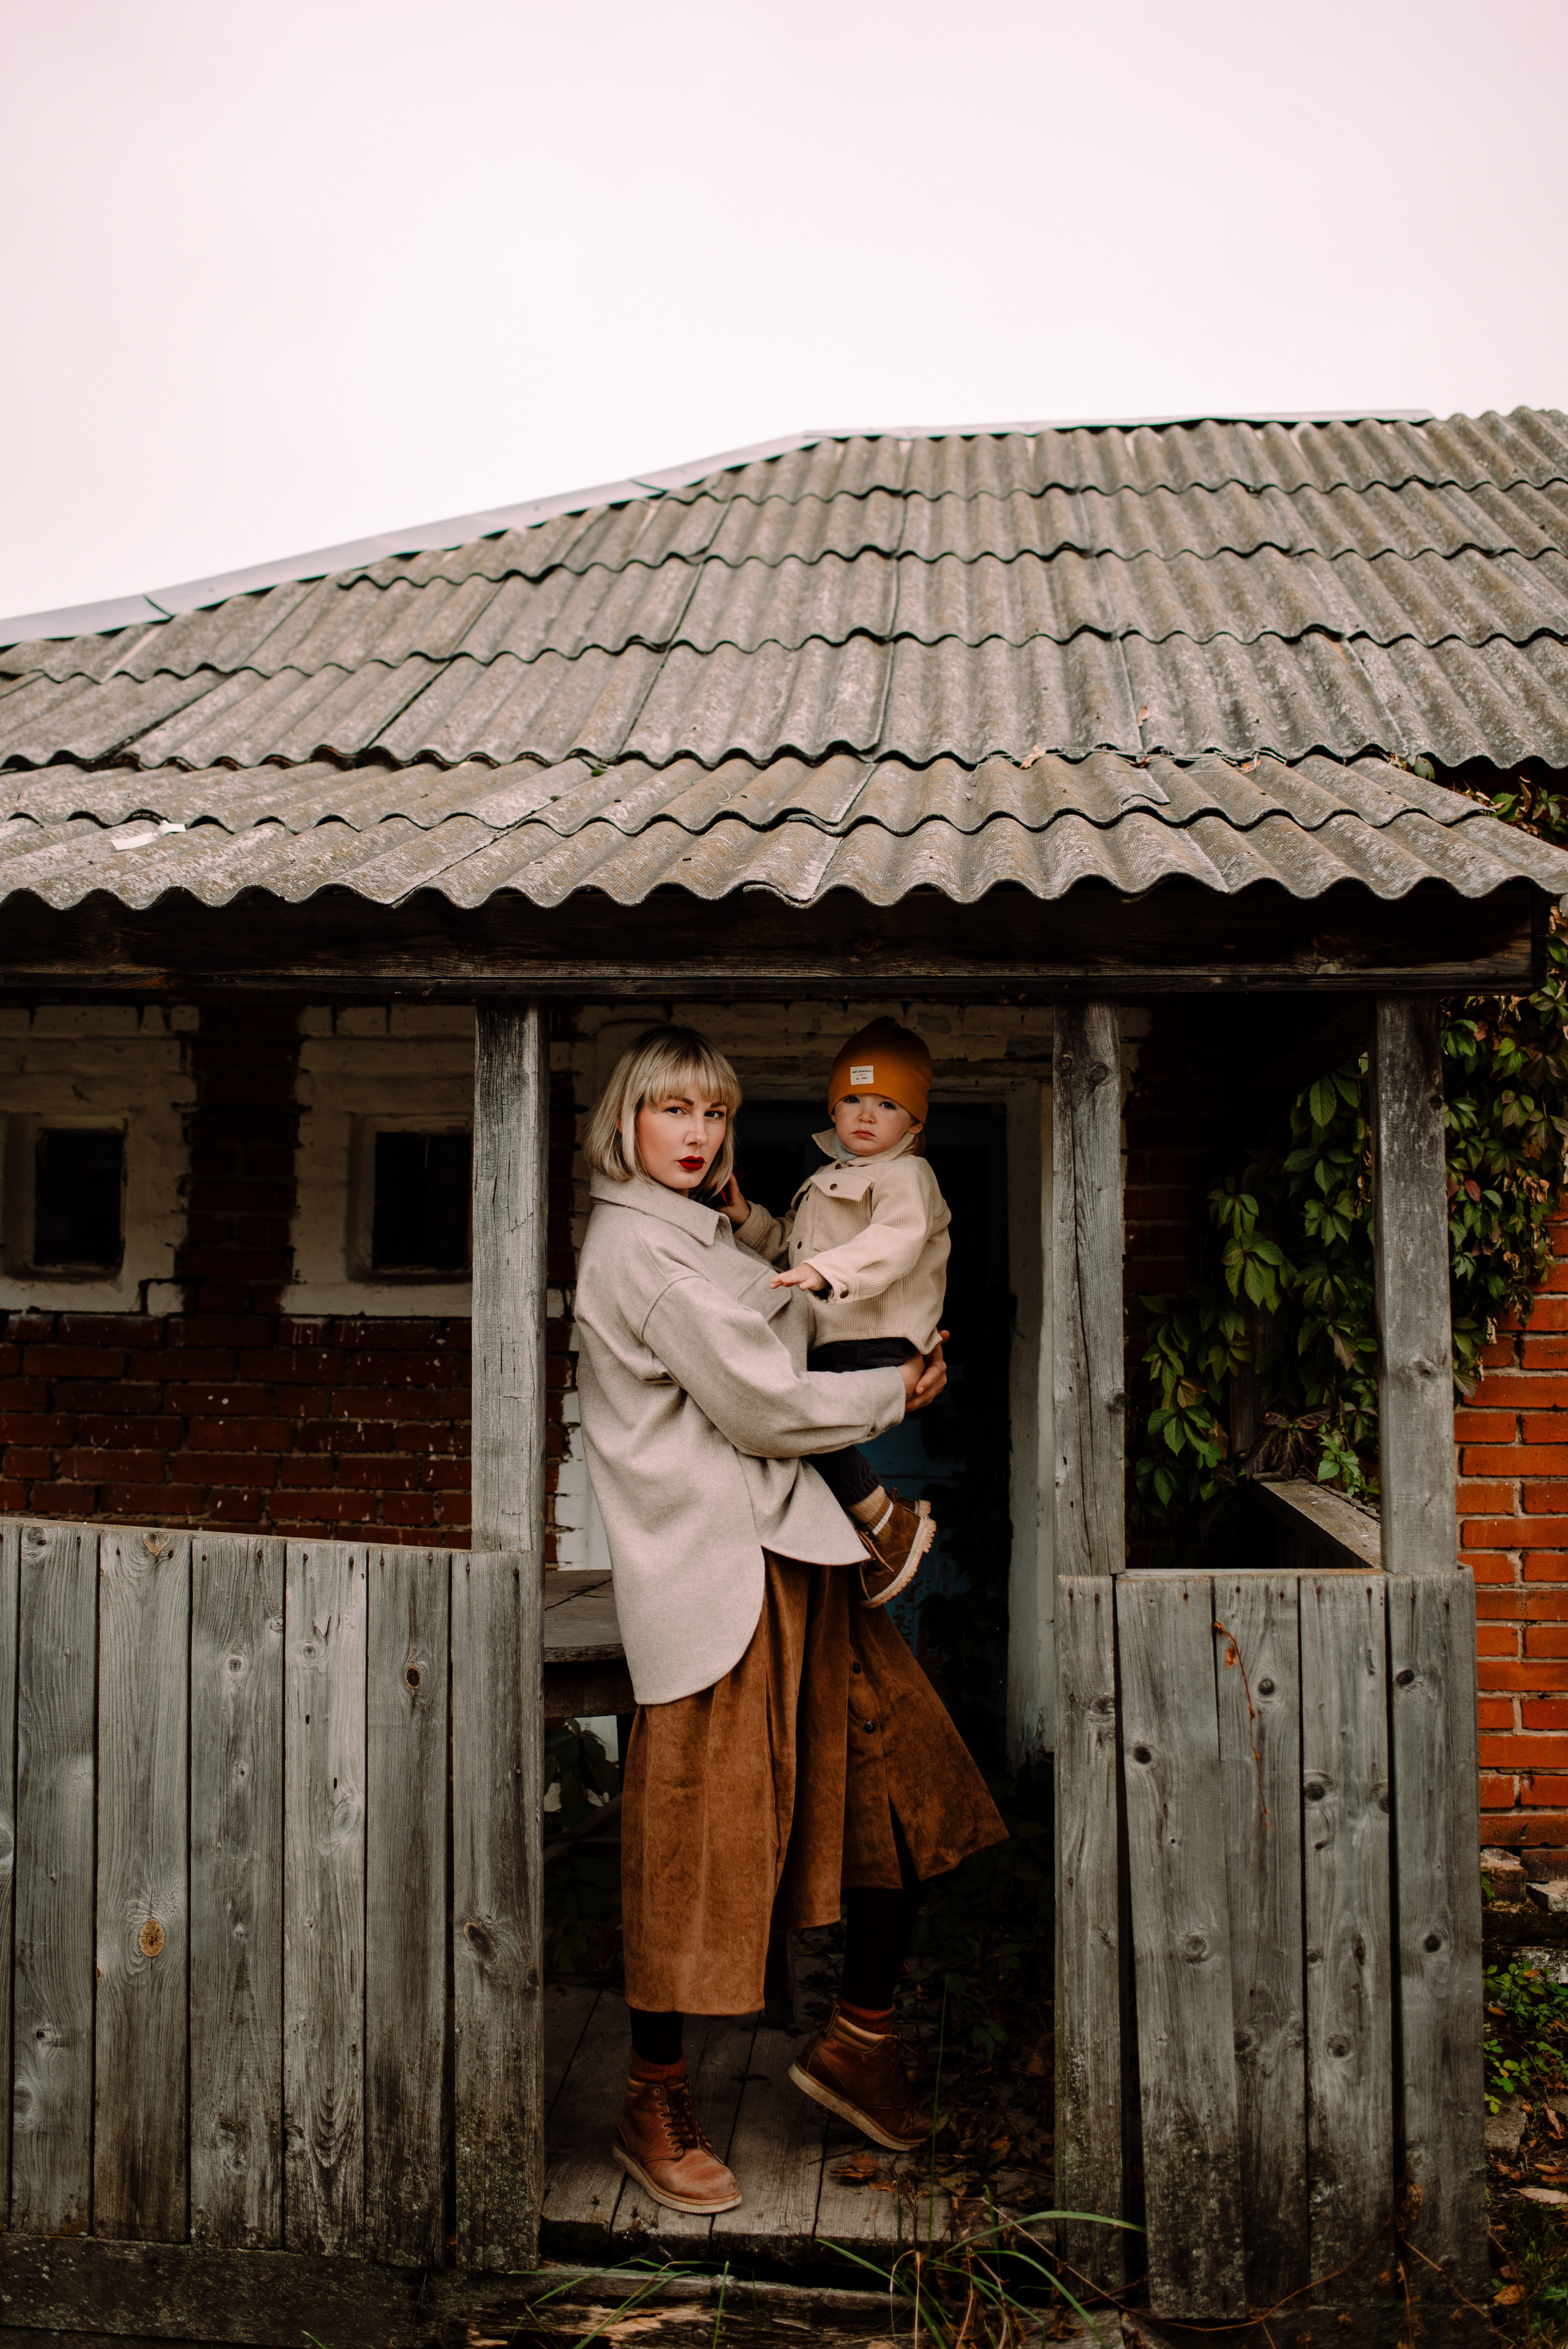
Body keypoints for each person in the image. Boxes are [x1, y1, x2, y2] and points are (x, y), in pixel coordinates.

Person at [573, 1024, 1008, 2219]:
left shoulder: (705, 1237)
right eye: (672, 1111)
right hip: (714, 1579)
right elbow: (763, 1406)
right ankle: (651, 2094)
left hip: (798, 1554)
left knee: (900, 1788)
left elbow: (776, 1304)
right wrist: (893, 1391)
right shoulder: (639, 1252)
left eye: (713, 1113)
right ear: (626, 1121)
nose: (697, 1134)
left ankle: (858, 2036)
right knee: (693, 1843)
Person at [720, 1017, 949, 1607]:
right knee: (795, 1431)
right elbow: (791, 1248)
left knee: (791, 1425)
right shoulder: (825, 1180)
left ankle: (885, 1527)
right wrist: (746, 1216)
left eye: (886, 1104)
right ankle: (880, 1526)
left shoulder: (908, 1175)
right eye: (852, 1099)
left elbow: (894, 1242)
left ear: (915, 1122)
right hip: (835, 1340)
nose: (866, 1115)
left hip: (877, 1336)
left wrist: (829, 1273)